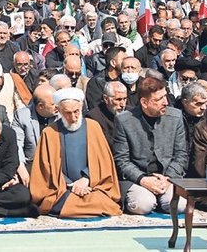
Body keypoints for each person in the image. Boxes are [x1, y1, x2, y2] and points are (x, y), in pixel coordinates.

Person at [30, 88, 122, 218]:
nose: (73, 117)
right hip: (62, 189)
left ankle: (77, 207)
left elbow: (103, 162)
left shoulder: (93, 126)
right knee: (56, 202)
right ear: (59, 111)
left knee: (103, 201)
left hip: (92, 186)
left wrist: (86, 179)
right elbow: (47, 169)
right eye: (67, 113)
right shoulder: (50, 132)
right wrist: (71, 184)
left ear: (81, 108)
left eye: (76, 112)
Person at [113, 76, 187, 215]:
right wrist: (143, 180)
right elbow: (122, 160)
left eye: (165, 97)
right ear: (144, 102)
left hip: (167, 177)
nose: (165, 102)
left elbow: (181, 155)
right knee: (143, 205)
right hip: (138, 178)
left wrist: (168, 179)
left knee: (179, 205)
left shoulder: (176, 117)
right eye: (159, 99)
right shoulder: (124, 120)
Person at [86, 81, 129, 148]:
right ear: (106, 99)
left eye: (125, 99)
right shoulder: (94, 117)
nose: (123, 104)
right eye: (118, 99)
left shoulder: (131, 113)